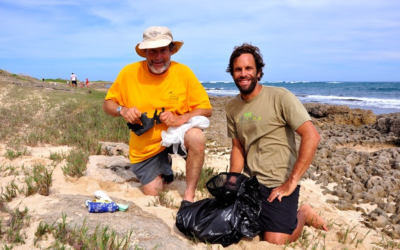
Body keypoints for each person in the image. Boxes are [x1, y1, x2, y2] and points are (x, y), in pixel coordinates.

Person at [224, 43, 328, 244]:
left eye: (248, 68)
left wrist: (291, 182)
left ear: (259, 72)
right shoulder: (231, 106)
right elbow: (238, 147)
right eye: (238, 69)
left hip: (278, 182)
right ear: (233, 74)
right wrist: (233, 180)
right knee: (235, 230)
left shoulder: (281, 97)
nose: (243, 74)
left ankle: (304, 213)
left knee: (275, 240)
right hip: (251, 182)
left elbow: (312, 136)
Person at [103, 26, 212, 203]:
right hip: (145, 148)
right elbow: (108, 103)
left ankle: (189, 196)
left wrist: (180, 119)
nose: (158, 57)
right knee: (154, 193)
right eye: (152, 51)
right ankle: (163, 165)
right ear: (145, 52)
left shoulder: (184, 73)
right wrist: (122, 110)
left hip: (174, 136)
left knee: (196, 137)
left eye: (163, 50)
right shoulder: (129, 73)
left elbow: (207, 109)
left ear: (171, 51)